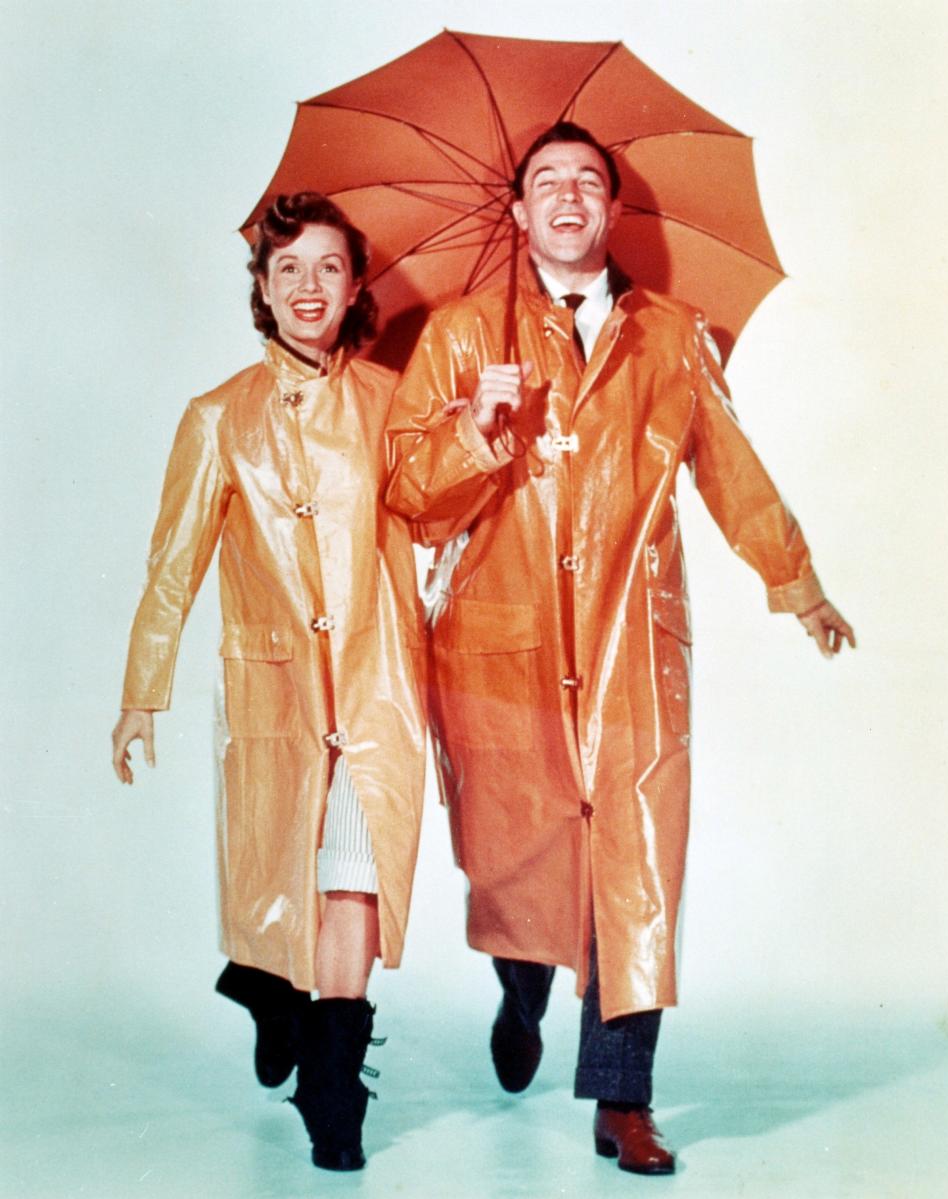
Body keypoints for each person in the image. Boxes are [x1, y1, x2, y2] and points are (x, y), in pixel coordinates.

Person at [384, 122, 854, 1176]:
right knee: (516, 860)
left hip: (631, 642)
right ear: (517, 213)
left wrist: (797, 580)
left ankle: (622, 1099)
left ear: (609, 209)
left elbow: (732, 465)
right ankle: (521, 988)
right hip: (497, 643)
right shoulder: (464, 335)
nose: (565, 196)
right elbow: (408, 497)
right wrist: (475, 429)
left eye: (585, 181)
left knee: (634, 868)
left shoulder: (673, 335)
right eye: (544, 181)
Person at [111, 193, 425, 1172]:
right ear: (260, 287)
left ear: (355, 285)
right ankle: (265, 985)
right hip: (275, 687)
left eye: (328, 267)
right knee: (282, 875)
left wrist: (488, 429)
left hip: (375, 681)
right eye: (286, 268)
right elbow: (174, 563)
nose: (307, 287)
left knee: (355, 880)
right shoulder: (217, 416)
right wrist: (140, 691)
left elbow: (438, 502)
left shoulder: (393, 399)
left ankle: (332, 1088)